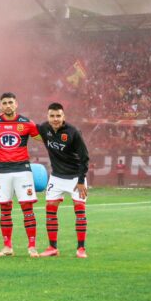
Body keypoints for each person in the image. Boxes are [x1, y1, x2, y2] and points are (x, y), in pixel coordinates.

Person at [0, 93, 42, 257]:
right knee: (5, 208)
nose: (8, 105)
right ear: (0, 106)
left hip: (23, 170)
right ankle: (7, 246)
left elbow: (43, 139)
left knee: (27, 208)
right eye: (4, 103)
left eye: (10, 102)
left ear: (16, 104)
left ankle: (32, 246)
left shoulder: (26, 123)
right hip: (2, 171)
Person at [37, 102, 90, 259]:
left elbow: (84, 157)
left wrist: (81, 181)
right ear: (47, 116)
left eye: (58, 116)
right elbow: (27, 128)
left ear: (63, 116)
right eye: (52, 116)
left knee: (80, 212)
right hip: (56, 177)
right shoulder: (44, 128)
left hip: (75, 178)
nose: (55, 119)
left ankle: (81, 249)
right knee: (50, 212)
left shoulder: (73, 132)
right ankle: (52, 247)